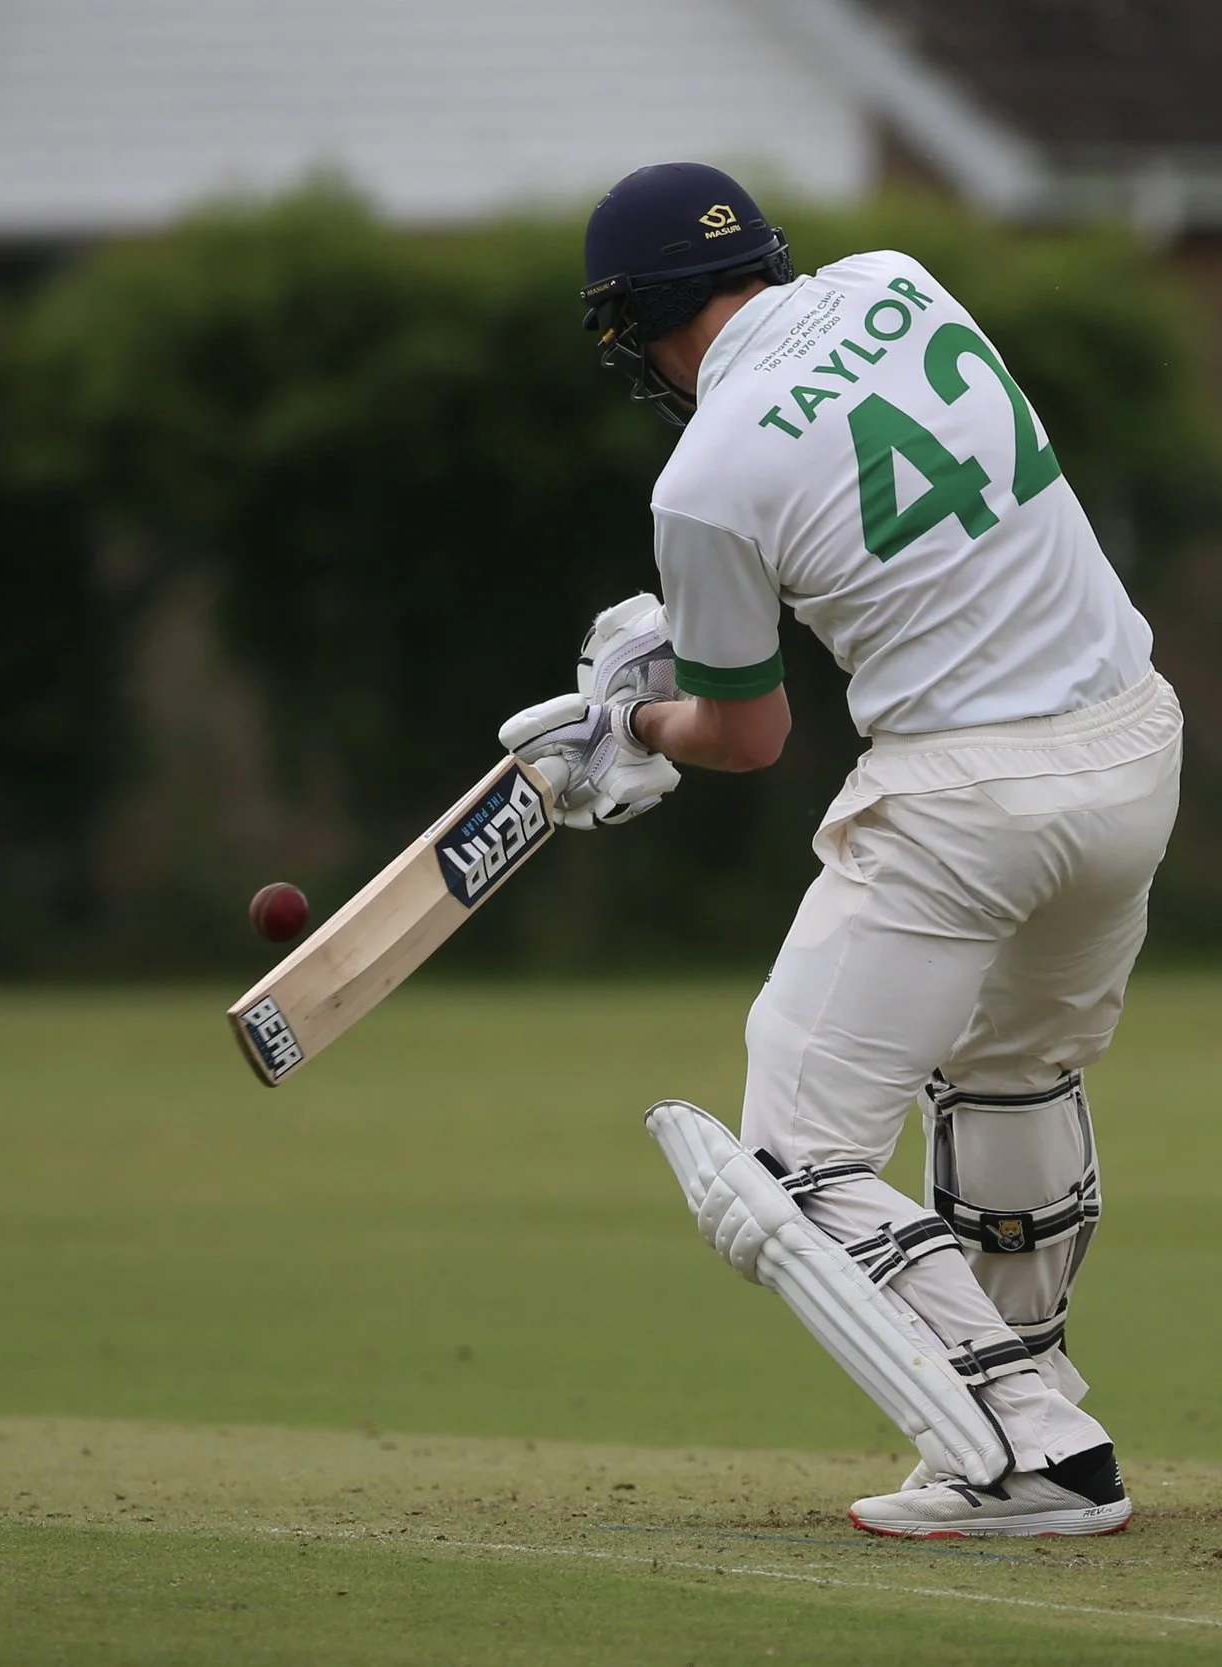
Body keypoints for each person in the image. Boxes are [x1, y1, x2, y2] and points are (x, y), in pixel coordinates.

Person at [498, 162, 1182, 1538]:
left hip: (964, 801)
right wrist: (676, 659)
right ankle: (1031, 1389)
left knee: (791, 1163)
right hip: (1133, 746)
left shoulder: (703, 478)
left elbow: (746, 735)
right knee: (1011, 1069)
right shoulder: (897, 283)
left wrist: (630, 723)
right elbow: (903, 541)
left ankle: (1034, 1449)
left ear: (640, 321)